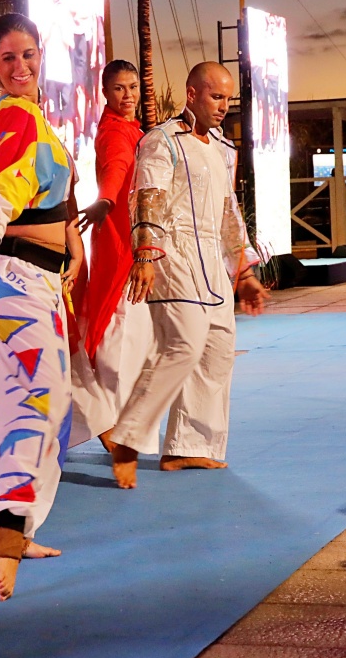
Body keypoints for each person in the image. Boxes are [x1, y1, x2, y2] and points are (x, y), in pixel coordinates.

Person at [0, 13, 82, 602]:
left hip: (39, 282)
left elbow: (56, 199)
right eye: (8, 58)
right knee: (35, 396)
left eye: (29, 55)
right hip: (15, 278)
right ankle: (7, 528)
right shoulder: (13, 115)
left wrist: (74, 245)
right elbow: (9, 184)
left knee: (30, 405)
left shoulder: (32, 120)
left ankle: (11, 527)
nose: (21, 67)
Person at [105, 61, 269, 490]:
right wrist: (145, 253)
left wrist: (245, 269)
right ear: (192, 94)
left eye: (228, 99)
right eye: (217, 96)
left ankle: (188, 446)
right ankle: (127, 437)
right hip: (173, 257)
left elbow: (229, 212)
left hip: (213, 263)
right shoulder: (161, 140)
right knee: (182, 345)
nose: (224, 106)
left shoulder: (221, 147)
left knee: (217, 348)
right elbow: (148, 196)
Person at [77, 59, 153, 441]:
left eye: (133, 87)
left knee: (131, 333)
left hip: (129, 235)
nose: (128, 95)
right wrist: (105, 200)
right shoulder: (115, 134)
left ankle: (120, 427)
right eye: (119, 89)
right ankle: (114, 428)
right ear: (105, 93)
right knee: (119, 330)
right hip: (120, 239)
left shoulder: (131, 129)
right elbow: (116, 170)